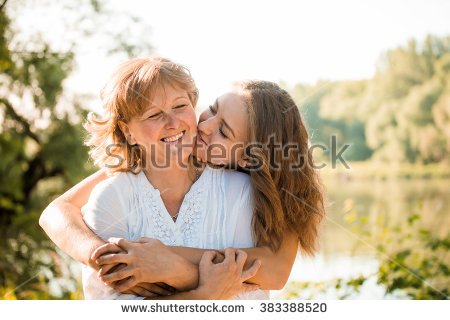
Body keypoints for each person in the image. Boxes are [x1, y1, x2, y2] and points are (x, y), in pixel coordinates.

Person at [39, 57, 325, 299]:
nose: (204, 126)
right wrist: (108, 257)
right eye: (211, 109)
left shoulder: (256, 192)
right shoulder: (135, 173)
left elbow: (274, 273)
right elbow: (56, 212)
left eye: (224, 132)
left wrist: (167, 263)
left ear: (248, 158)